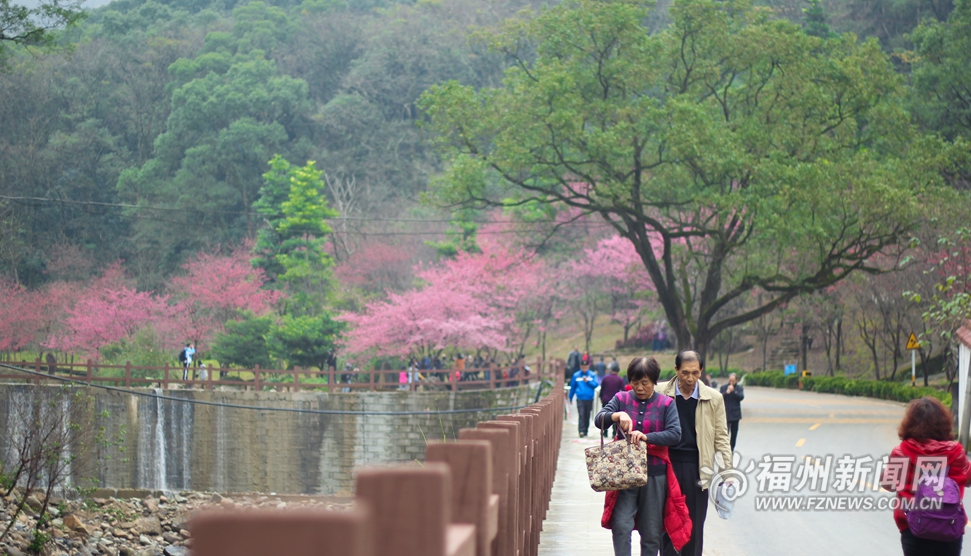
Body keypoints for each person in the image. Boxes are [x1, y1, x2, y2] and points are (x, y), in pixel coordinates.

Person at [596, 357, 684, 556]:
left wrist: (647, 437)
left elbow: (675, 434)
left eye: (645, 383)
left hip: (655, 475)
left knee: (651, 532)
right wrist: (616, 416)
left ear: (654, 381)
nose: (640, 387)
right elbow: (599, 419)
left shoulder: (666, 404)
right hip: (625, 475)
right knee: (621, 525)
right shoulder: (621, 399)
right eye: (635, 383)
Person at [658, 351, 733, 556]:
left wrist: (727, 473)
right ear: (676, 370)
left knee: (694, 525)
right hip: (667, 466)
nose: (690, 378)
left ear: (701, 371)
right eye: (685, 373)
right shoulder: (660, 392)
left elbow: (721, 438)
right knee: (667, 524)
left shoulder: (714, 398)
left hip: (698, 468)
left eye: (695, 373)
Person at [880, 397, 971, 556]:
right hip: (949, 525)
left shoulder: (901, 452)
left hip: (913, 526)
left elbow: (888, 484)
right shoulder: (956, 453)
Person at [568, 362, 599, 437]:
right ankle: (581, 430)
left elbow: (595, 385)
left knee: (587, 415)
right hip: (580, 398)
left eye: (586, 367)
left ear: (588, 366)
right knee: (581, 414)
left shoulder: (592, 375)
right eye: (583, 367)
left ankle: (586, 430)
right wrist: (570, 397)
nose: (584, 369)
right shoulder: (576, 375)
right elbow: (573, 387)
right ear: (580, 366)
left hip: (589, 398)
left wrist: (588, 381)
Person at [599, 364, 628, 437]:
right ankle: (614, 433)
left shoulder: (605, 378)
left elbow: (602, 389)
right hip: (616, 400)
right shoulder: (620, 379)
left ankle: (604, 432)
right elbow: (623, 390)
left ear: (611, 370)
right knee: (615, 417)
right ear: (618, 371)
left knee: (605, 415)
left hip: (605, 399)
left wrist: (601, 397)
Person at [719, 373, 744, 451]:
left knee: (734, 433)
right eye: (730, 380)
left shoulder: (739, 388)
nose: (731, 382)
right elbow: (720, 397)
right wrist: (727, 392)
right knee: (725, 432)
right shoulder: (723, 387)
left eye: (733, 381)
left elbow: (741, 397)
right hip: (725, 414)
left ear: (736, 380)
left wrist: (733, 391)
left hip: (735, 414)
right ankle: (724, 448)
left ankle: (731, 447)